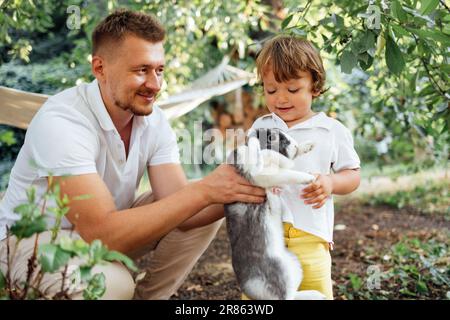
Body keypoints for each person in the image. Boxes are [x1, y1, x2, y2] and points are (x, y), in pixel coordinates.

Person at [0, 10, 266, 300]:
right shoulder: (63, 121)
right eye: (141, 70)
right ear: (99, 68)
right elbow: (101, 233)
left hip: (95, 234)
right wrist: (206, 190)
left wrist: (246, 186)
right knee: (113, 285)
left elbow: (185, 210)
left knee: (202, 203)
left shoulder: (153, 121)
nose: (154, 84)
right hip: (27, 241)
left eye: (159, 70)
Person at [248, 35, 361, 299]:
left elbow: (352, 174)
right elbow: (248, 169)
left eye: (293, 89)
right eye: (271, 90)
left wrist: (331, 183)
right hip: (264, 237)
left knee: (313, 292)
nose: (281, 99)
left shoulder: (330, 130)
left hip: (310, 235)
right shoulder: (261, 128)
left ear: (315, 86)